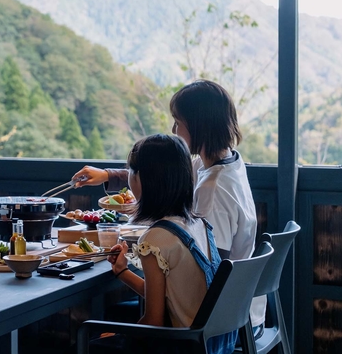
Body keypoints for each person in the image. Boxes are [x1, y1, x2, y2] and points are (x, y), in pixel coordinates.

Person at [73, 79, 264, 336]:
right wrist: (109, 175)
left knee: (97, 332)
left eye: (178, 122)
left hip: (214, 322)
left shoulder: (214, 190)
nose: (174, 129)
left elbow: (203, 274)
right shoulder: (223, 165)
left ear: (199, 125)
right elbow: (167, 176)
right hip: (228, 311)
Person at [100, 134, 235, 354]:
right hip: (210, 344)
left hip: (179, 346)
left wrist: (123, 334)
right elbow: (167, 295)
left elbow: (153, 322)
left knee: (87, 339)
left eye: (131, 172)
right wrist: (122, 272)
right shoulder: (200, 225)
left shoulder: (155, 239)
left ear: (143, 179)